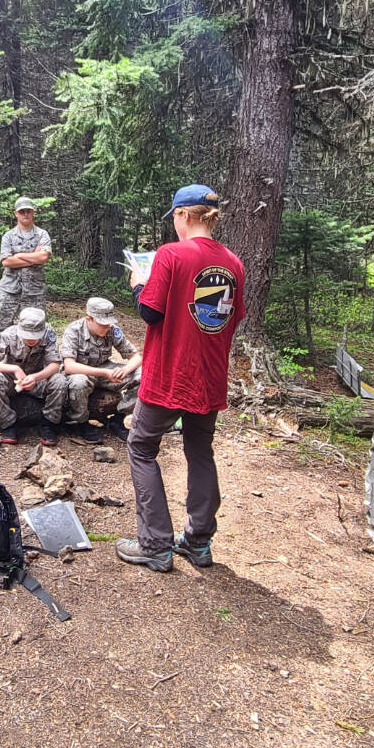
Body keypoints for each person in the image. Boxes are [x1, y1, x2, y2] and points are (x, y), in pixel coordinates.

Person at [115, 185, 245, 573]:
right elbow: (231, 318)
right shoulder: (234, 264)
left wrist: (139, 282)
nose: (173, 224)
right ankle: (198, 541)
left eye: (173, 217)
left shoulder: (171, 255)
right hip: (209, 377)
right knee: (200, 450)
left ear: (183, 215)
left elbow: (150, 314)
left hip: (170, 374)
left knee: (141, 447)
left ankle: (154, 544)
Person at [0, 307, 68, 447]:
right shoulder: (8, 334)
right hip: (12, 381)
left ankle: (48, 423)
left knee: (60, 380)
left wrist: (36, 377)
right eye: (27, 335)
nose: (31, 339)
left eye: (35, 335)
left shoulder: (48, 334)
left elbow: (55, 365)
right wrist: (13, 368)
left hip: (38, 380)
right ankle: (7, 424)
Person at [61, 297, 141, 443]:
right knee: (79, 382)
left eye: (109, 323)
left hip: (105, 369)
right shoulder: (73, 331)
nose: (107, 327)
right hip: (81, 372)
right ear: (89, 319)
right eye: (102, 323)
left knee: (143, 375)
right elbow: (69, 366)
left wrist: (125, 370)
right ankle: (81, 423)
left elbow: (136, 357)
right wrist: (104, 373)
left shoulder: (112, 330)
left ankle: (118, 418)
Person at [0, 197, 51, 347]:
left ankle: (36, 358)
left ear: (33, 212)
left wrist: (18, 256)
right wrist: (34, 256)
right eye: (22, 211)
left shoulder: (42, 234)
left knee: (35, 325)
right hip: (9, 288)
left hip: (34, 290)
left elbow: (44, 256)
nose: (25, 214)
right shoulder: (8, 236)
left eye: (28, 211)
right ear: (16, 213)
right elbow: (6, 261)